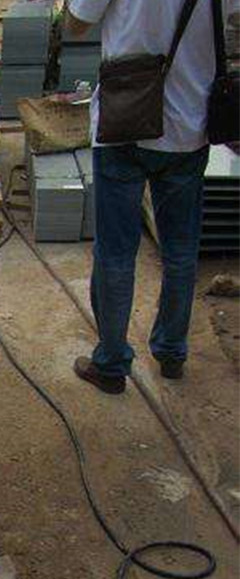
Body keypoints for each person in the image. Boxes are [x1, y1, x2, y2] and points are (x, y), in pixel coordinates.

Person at [65, 0, 237, 394]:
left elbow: (75, 24)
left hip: (123, 121)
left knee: (115, 253)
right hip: (188, 128)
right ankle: (172, 353)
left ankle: (111, 365)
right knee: (180, 251)